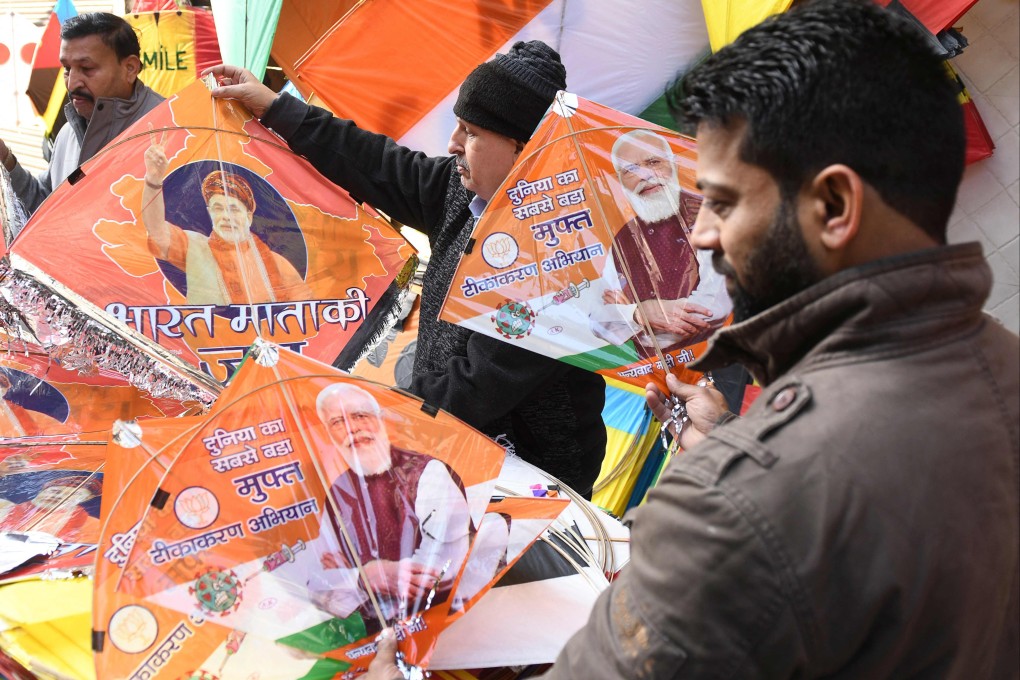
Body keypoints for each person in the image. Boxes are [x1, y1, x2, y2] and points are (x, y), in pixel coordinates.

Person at [368, 0, 1020, 677]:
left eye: (723, 202)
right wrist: (725, 442)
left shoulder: (747, 495)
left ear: (832, 206)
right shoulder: (994, 365)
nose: (702, 233)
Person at [206, 41, 607, 497]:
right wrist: (277, 108)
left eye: (472, 132)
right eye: (458, 125)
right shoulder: (457, 188)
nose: (454, 144)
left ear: (521, 149)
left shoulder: (560, 253)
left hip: (531, 479)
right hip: (447, 442)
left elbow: (475, 387)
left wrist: (363, 411)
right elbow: (373, 162)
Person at [307, 383, 478, 630]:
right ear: (328, 434)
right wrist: (364, 578)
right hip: (372, 636)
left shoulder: (426, 472)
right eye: (337, 422)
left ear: (380, 419)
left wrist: (355, 580)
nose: (352, 428)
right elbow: (318, 585)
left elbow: (443, 567)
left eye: (360, 416)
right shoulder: (336, 494)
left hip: (444, 622)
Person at [0, 13, 163, 216]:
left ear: (130, 68)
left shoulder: (169, 128)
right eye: (67, 69)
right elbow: (46, 208)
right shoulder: (67, 132)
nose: (72, 83)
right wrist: (6, 159)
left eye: (86, 68)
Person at [590, 129, 731, 356]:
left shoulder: (711, 215)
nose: (645, 175)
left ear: (673, 164)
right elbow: (597, 320)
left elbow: (714, 307)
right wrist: (639, 313)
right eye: (630, 170)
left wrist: (631, 320)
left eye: (653, 162)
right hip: (654, 369)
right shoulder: (620, 239)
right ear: (619, 181)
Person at [141, 133, 313, 305]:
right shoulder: (193, 246)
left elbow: (305, 309)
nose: (226, 216)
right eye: (218, 208)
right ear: (210, 213)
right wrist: (153, 180)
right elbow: (157, 231)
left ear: (249, 216)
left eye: (234, 209)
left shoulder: (278, 263)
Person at [0, 474, 101, 542]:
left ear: (85, 499)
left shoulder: (91, 525)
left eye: (74, 494)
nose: (59, 496)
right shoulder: (5, 509)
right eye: (55, 491)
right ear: (41, 491)